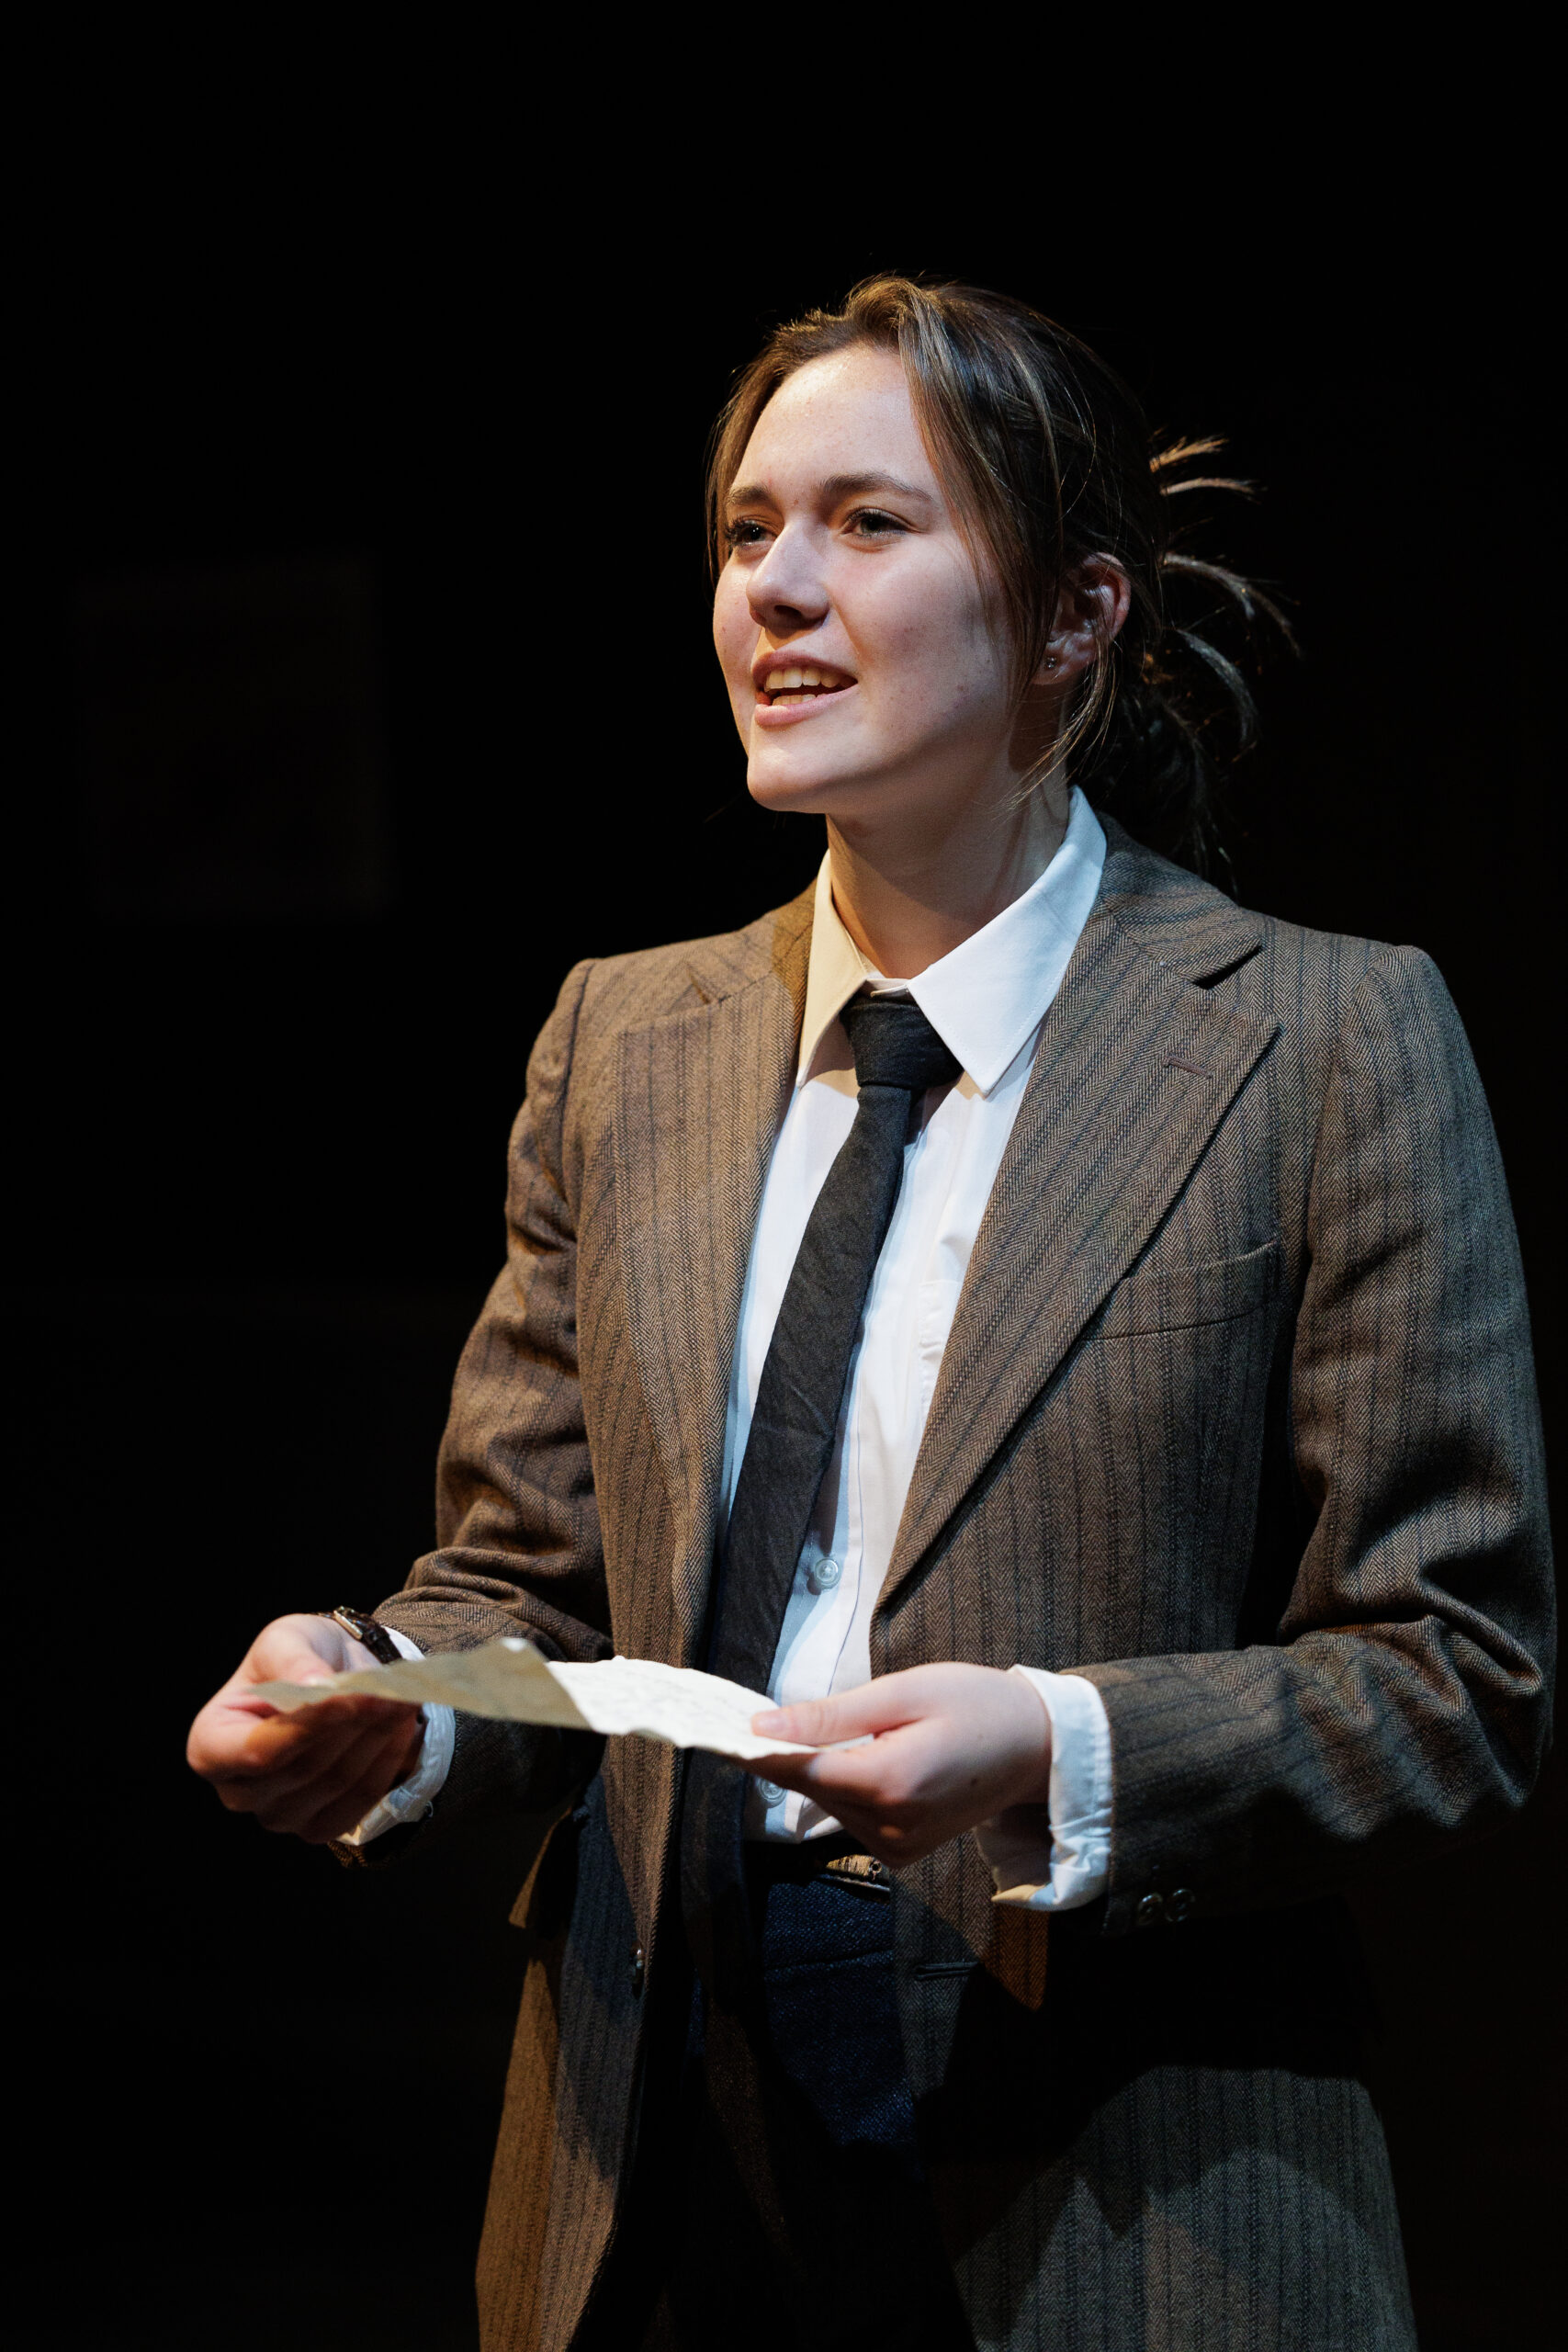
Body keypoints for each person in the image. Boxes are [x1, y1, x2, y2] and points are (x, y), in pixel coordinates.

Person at [187, 277, 1554, 2352]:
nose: (778, 589)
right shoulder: (623, 1040)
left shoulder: (1320, 1040)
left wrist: (1058, 1743)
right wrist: (390, 1691)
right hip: (649, 2122)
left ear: (1075, 613)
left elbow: (1455, 1674)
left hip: (1109, 2156)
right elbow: (528, 1587)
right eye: (748, 531)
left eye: (868, 523)